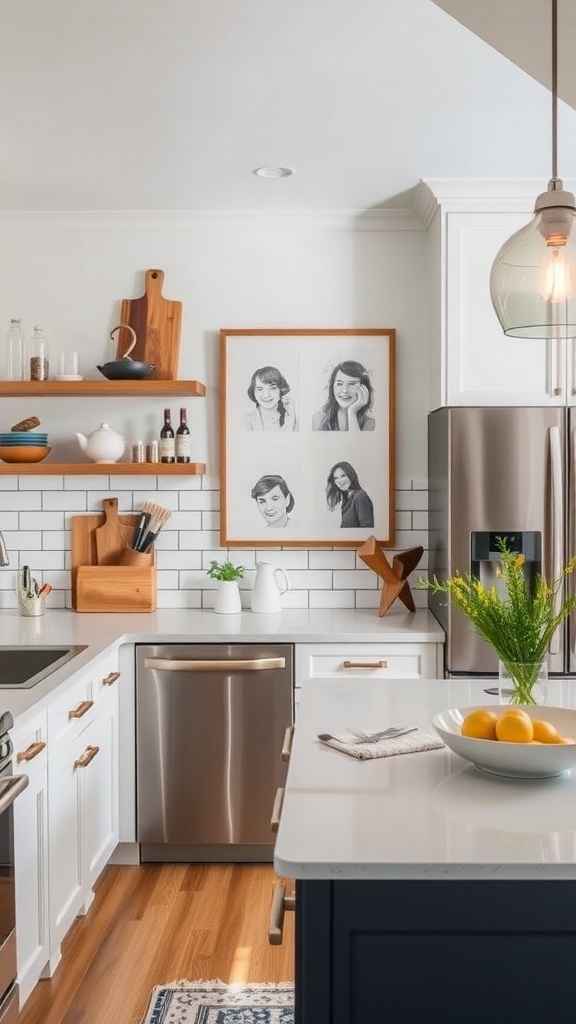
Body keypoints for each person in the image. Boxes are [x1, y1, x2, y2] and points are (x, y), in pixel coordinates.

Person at [312, 359, 375, 431]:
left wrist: (352, 412)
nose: (344, 390)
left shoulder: (369, 422)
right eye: (339, 384)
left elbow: (356, 442)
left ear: (364, 388)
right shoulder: (319, 418)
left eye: (352, 384)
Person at [244, 366, 297, 431]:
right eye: (260, 389)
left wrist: (291, 422)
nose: (266, 395)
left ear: (281, 389)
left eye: (273, 388)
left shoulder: (292, 418)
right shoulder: (246, 420)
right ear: (253, 392)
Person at [326, 461, 374, 528]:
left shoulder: (360, 496)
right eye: (336, 478)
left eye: (343, 476)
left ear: (350, 475)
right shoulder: (347, 499)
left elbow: (367, 529)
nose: (340, 481)